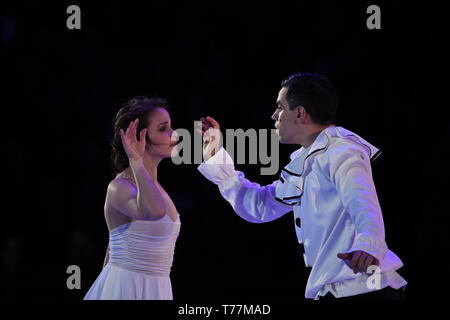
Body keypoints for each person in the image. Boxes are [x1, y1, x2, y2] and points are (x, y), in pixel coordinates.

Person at [197, 73, 407, 300]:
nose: (274, 116)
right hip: (338, 289)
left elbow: (362, 200)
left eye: (280, 107)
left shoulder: (341, 151)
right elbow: (260, 206)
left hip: (365, 289)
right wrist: (216, 157)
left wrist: (369, 245)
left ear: (299, 113)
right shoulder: (307, 160)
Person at [84, 96, 181, 300]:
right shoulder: (120, 187)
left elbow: (113, 248)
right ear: (140, 138)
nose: (174, 134)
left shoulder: (156, 188)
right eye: (163, 128)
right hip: (127, 287)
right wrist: (136, 161)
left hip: (157, 288)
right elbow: (154, 211)